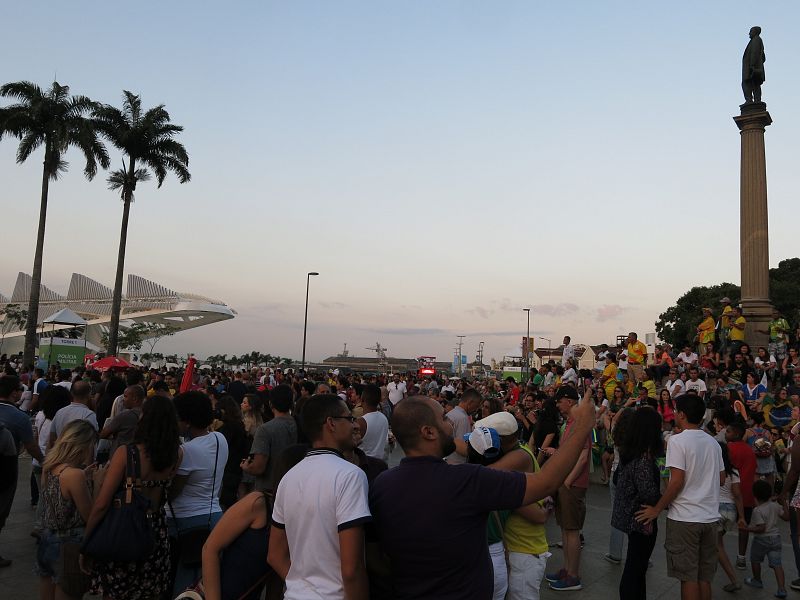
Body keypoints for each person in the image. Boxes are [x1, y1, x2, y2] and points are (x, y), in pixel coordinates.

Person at [368, 391, 596, 599]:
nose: (451, 424)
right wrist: (583, 425)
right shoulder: (467, 480)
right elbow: (547, 482)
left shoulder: (382, 484)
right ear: (428, 432)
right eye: (444, 419)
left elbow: (375, 554)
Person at [268, 394, 371, 600]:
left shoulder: (289, 477)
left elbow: (275, 555)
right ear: (331, 423)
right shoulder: (350, 475)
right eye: (349, 419)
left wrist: (304, 587)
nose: (355, 426)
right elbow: (352, 568)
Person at [83, 395, 182, 600]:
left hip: (124, 528)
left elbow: (102, 504)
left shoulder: (126, 453)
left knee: (117, 591)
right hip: (155, 530)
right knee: (149, 590)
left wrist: (87, 541)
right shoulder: (176, 454)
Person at [636, 394, 725, 600]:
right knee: (704, 577)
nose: (674, 414)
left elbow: (676, 481)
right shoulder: (713, 443)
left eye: (676, 411)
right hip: (710, 518)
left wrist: (657, 509)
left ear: (682, 415)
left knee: (688, 577)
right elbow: (721, 478)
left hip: (685, 519)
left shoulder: (677, 441)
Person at [169, 391, 230, 594]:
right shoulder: (220, 439)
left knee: (185, 588)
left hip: (187, 522)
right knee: (205, 585)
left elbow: (173, 493)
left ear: (186, 422)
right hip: (214, 516)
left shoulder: (187, 451)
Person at [36, 420, 95, 600]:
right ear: (82, 445)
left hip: (47, 538)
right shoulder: (74, 475)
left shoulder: (50, 466)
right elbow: (89, 515)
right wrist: (98, 484)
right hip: (69, 543)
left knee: (47, 590)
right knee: (69, 591)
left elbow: (59, 497)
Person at [611, 407, 662, 600]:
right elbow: (649, 492)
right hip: (641, 520)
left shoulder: (629, 453)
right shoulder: (643, 459)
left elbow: (617, 480)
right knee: (635, 570)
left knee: (636, 569)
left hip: (631, 518)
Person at [545, 386, 592, 591]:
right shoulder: (570, 423)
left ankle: (573, 576)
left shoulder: (580, 423)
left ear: (570, 401)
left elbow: (582, 456)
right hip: (566, 482)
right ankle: (566, 569)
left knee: (572, 530)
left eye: (559, 400)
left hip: (572, 484)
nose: (557, 404)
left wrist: (568, 480)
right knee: (565, 529)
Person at [0, 375, 44, 567]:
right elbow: (31, 446)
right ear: (14, 393)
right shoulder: (20, 417)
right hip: (6, 468)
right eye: (19, 390)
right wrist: (45, 461)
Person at [241, 384, 297, 493]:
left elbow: (258, 467)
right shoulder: (298, 425)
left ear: (271, 404)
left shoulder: (265, 429)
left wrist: (246, 467)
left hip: (269, 489)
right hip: (293, 487)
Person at [742, 479, 788, 597]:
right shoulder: (775, 506)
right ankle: (782, 589)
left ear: (755, 495)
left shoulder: (757, 511)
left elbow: (761, 528)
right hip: (776, 538)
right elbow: (787, 517)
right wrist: (783, 503)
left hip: (761, 540)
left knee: (755, 559)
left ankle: (757, 580)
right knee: (777, 564)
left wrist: (747, 529)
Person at [726, 418, 758, 572]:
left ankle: (715, 551)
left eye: (728, 431)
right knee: (743, 525)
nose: (726, 433)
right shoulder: (750, 450)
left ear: (736, 433)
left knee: (719, 526)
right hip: (747, 494)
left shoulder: (728, 449)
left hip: (729, 493)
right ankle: (741, 557)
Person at [717, 441, 746, 592]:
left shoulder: (713, 469)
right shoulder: (734, 471)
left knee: (717, 545)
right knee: (716, 543)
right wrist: (741, 517)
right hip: (730, 512)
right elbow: (737, 495)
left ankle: (734, 580)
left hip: (716, 510)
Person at [98, 384, 144, 457]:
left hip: (120, 456)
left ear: (134, 399)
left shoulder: (124, 415)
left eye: (125, 396)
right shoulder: (147, 414)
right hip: (139, 457)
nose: (123, 399)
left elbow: (103, 434)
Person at [49, 380, 98, 449]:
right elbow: (92, 442)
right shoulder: (89, 415)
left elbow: (52, 438)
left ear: (71, 393)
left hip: (60, 456)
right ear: (89, 395)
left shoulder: (60, 412)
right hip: (79, 458)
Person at [445, 387, 481, 465]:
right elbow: (464, 449)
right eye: (477, 405)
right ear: (470, 402)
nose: (476, 409)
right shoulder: (463, 418)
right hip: (456, 464)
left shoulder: (450, 413)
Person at [357, 384, 389, 460]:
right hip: (380, 462)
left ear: (362, 399)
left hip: (365, 463)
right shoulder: (383, 418)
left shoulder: (361, 422)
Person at [742, 26, 766, 103]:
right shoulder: (757, 40)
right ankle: (756, 100)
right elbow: (763, 56)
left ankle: (749, 100)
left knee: (747, 84)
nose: (749, 33)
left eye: (751, 31)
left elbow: (754, 53)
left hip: (751, 68)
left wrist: (752, 65)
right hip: (754, 67)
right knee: (755, 84)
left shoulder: (756, 40)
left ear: (755, 32)